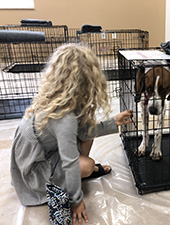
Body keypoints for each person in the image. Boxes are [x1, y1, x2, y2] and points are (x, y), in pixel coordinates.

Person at [10, 43, 133, 225]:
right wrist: (76, 201)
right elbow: (70, 162)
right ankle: (75, 179)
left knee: (87, 132)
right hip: (34, 169)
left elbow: (84, 132)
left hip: (48, 152)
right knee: (86, 165)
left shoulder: (63, 98)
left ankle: (74, 177)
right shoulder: (64, 117)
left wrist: (113, 122)